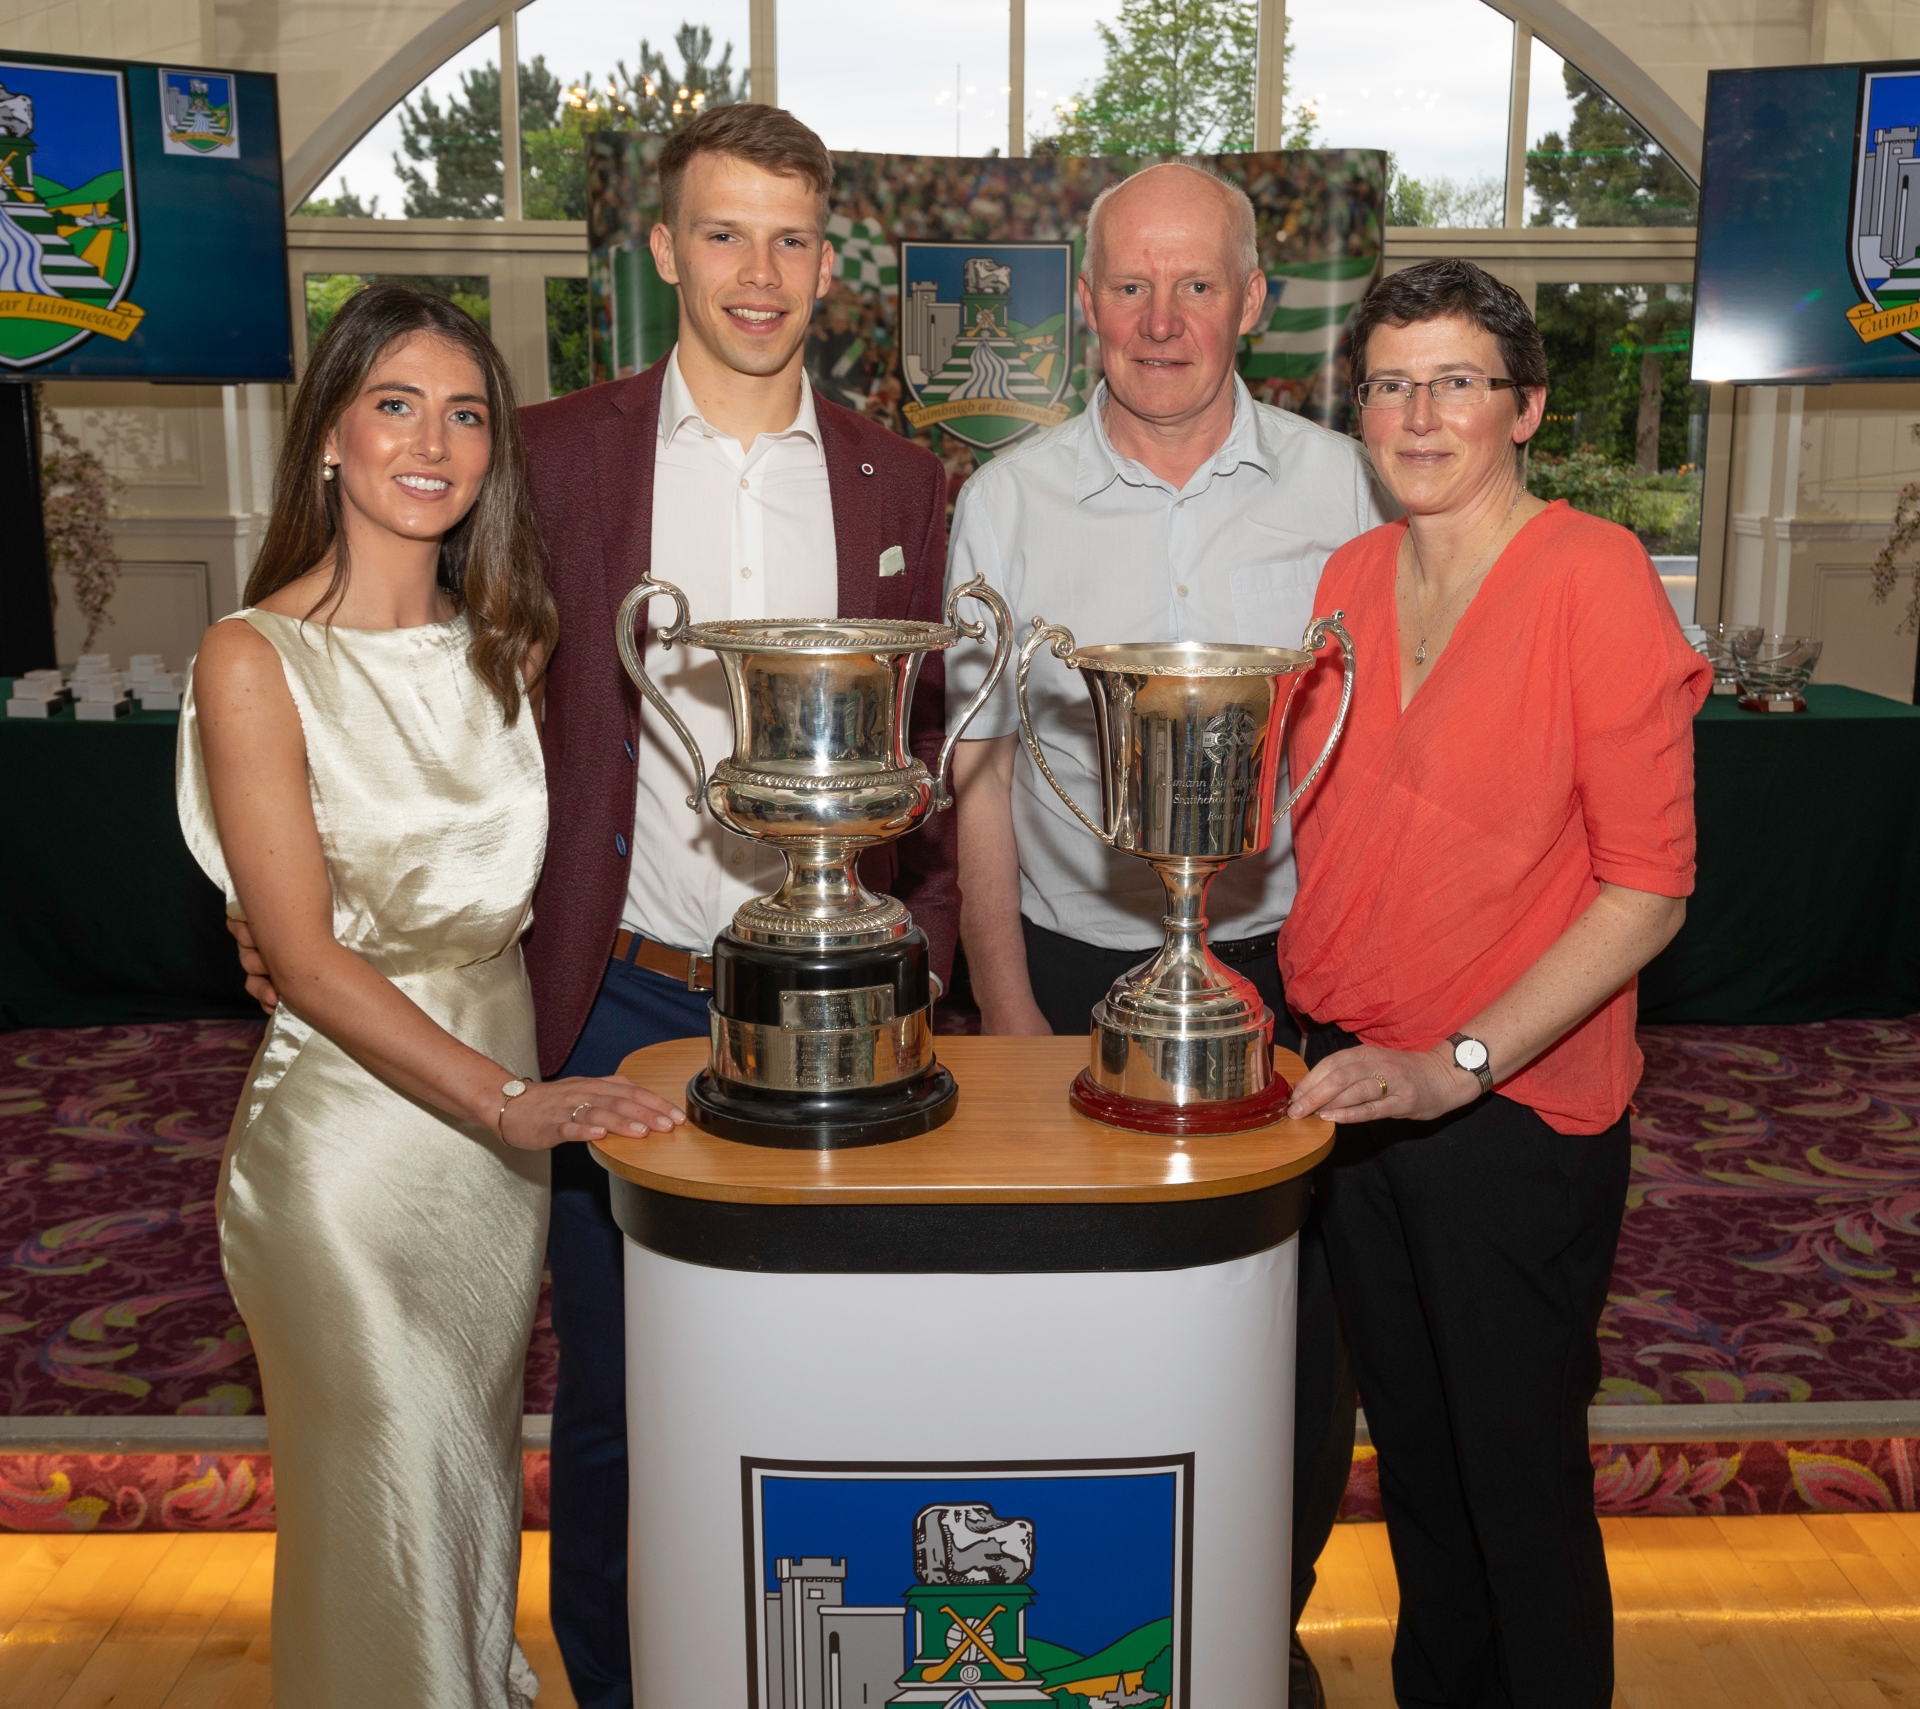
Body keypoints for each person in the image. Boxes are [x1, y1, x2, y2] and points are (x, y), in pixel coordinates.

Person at [178, 284, 682, 1708]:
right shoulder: (252, 657)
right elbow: (307, 958)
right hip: (353, 1161)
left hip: (486, 1170)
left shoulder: (505, 644)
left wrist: (510, 1115)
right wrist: (513, 1103)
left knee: (459, 1494)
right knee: (386, 1510)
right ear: (331, 435)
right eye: (394, 404)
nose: (431, 442)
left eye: (465, 414)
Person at [943, 160, 1390, 1708]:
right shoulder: (1010, 499)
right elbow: (979, 772)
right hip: (1073, 981)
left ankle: (1254, 1626)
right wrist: (1008, 1014)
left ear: (1252, 302)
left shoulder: (1348, 488)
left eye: (1196, 284)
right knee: (1082, 1323)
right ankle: (1095, 1629)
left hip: (1293, 977)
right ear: (1084, 305)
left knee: (1296, 1336)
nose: (1161, 317)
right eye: (1131, 285)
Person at [1278, 257, 1712, 1707]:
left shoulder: (1593, 574)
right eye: (1390, 385)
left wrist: (1454, 1066)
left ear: (1523, 408)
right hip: (1352, 1087)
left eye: (1456, 383)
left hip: (1508, 1107)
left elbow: (1649, 889)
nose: (1418, 416)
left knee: (1518, 1488)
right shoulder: (1349, 577)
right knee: (1414, 1462)